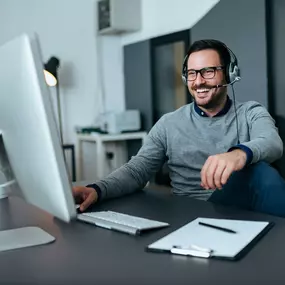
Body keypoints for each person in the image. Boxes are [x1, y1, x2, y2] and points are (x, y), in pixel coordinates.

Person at [73, 39, 285, 217]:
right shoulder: (169, 123)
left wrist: (239, 154)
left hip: (238, 210)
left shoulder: (251, 112)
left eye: (208, 71)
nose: (198, 81)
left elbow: (272, 142)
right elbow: (136, 171)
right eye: (192, 73)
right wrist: (98, 189)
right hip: (189, 215)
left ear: (228, 74)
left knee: (260, 173)